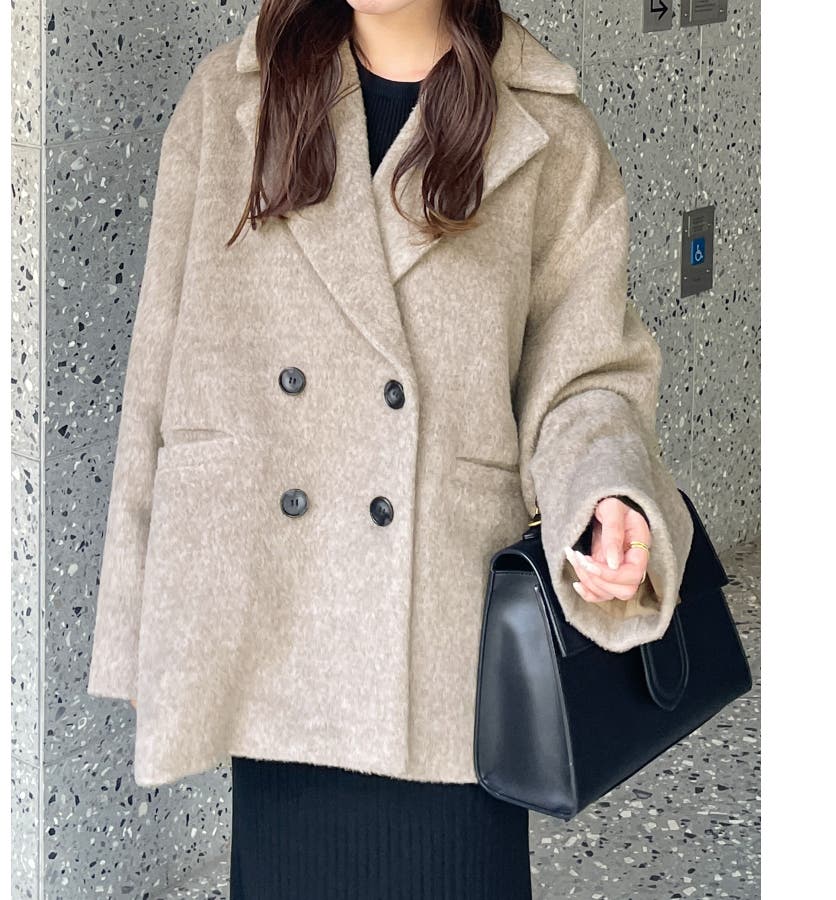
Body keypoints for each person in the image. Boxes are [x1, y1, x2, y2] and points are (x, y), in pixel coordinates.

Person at [86, 1, 695, 898]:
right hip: (274, 618)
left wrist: (605, 494)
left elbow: (585, 375)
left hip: (441, 640)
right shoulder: (231, 99)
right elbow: (158, 376)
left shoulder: (545, 129)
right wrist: (141, 625)